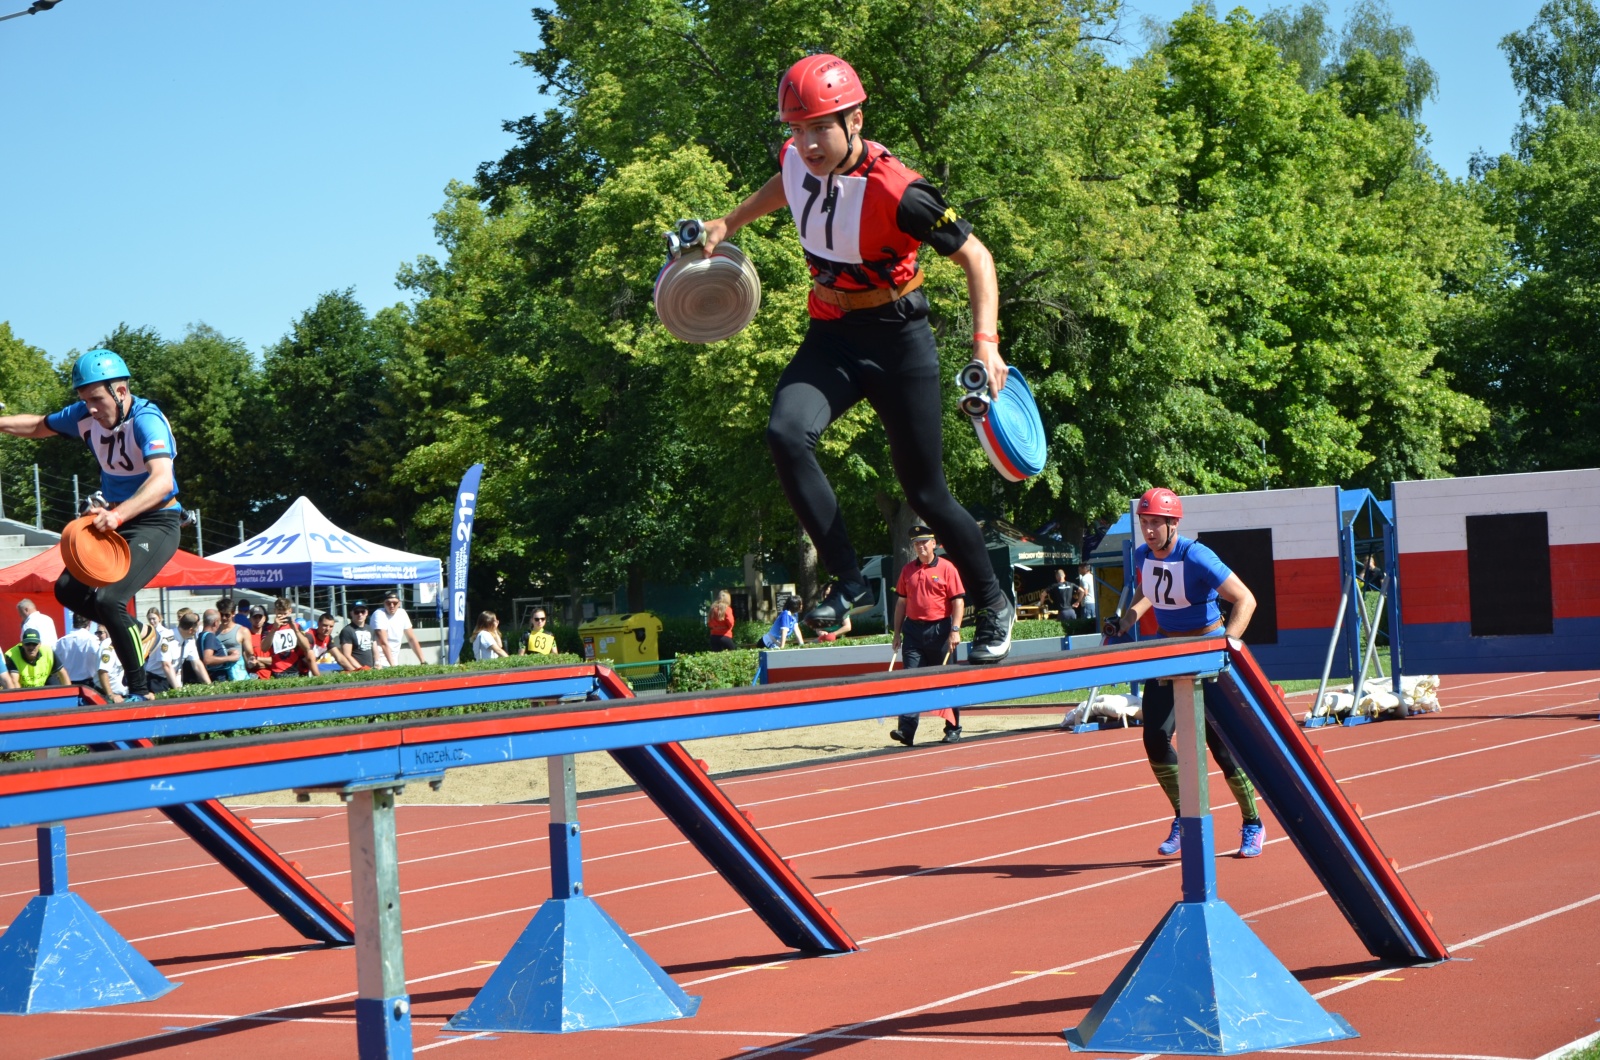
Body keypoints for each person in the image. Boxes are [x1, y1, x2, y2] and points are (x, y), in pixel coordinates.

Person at [703, 54, 1014, 664]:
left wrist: (986, 341)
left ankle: (992, 601)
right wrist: (728, 221)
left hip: (899, 339)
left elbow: (977, 257)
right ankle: (847, 584)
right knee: (786, 433)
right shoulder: (797, 158)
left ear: (855, 120)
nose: (809, 143)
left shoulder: (902, 190)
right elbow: (786, 184)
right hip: (834, 333)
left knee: (925, 493)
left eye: (822, 127)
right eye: (797, 129)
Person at [0, 349, 184, 700]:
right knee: (67, 588)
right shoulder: (85, 415)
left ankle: (140, 691)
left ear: (121, 391)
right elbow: (40, 426)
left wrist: (116, 515)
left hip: (158, 521)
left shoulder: (148, 421)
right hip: (117, 523)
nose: (92, 410)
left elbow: (161, 480)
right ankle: (142, 631)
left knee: (110, 599)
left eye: (97, 400)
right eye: (85, 401)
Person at [1111, 487, 1266, 859]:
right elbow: (1149, 591)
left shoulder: (1197, 555)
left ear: (1173, 524)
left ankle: (1252, 823)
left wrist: (1226, 644)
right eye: (1143, 523)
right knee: (1154, 738)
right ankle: (1184, 816)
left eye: (1154, 524)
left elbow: (1246, 598)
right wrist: (1125, 620)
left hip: (1205, 652)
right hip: (1167, 653)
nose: (1148, 531)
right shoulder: (1142, 555)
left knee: (1221, 748)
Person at [888, 525, 966, 746]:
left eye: (924, 542)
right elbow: (901, 603)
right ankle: (906, 730)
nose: (920, 547)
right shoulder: (907, 570)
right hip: (913, 632)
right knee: (910, 680)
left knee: (946, 681)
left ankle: (953, 728)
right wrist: (897, 633)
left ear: (934, 544)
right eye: (916, 543)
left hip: (941, 631)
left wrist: (955, 630)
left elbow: (958, 601)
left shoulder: (947, 568)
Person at [262, 597, 314, 679]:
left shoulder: (297, 626)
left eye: (285, 614)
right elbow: (264, 648)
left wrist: (296, 630)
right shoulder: (268, 629)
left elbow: (307, 647)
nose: (282, 616)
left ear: (290, 611)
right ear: (275, 611)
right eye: (280, 614)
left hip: (294, 669)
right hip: (276, 671)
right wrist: (273, 629)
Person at [372, 590, 426, 667]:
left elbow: (411, 639)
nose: (392, 605)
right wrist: (393, 666)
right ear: (384, 604)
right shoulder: (379, 614)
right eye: (388, 603)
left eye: (395, 603)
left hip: (393, 661)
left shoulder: (402, 613)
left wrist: (423, 661)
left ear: (399, 603)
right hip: (380, 662)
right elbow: (383, 643)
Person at [3, 629, 68, 689]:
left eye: (34, 644)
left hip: (44, 685)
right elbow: (14, 681)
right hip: (22, 691)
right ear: (22, 644)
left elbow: (62, 673)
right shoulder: (12, 655)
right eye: (28, 644)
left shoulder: (48, 652)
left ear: (39, 644)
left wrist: (69, 697)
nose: (31, 647)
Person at [54, 613, 102, 689]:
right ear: (90, 623)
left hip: (66, 684)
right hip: (88, 685)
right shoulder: (92, 639)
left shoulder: (60, 642)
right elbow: (100, 659)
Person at [142, 607, 182, 694]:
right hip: (151, 669)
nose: (152, 621)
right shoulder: (149, 632)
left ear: (159, 618)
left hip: (161, 673)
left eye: (154, 618)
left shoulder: (165, 633)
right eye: (149, 619)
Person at [334, 601, 378, 670]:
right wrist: (361, 668)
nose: (360, 614)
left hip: (371, 669)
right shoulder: (347, 630)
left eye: (362, 611)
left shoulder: (370, 628)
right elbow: (347, 655)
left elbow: (375, 650)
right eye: (356, 612)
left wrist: (377, 663)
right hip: (355, 670)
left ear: (366, 613)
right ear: (351, 613)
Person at [198, 609, 239, 684]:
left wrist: (227, 652)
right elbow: (208, 659)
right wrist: (230, 658)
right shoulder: (210, 636)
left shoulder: (202, 636)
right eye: (219, 621)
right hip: (218, 678)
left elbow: (212, 653)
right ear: (215, 623)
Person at [176, 612, 211, 686]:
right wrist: (177, 690)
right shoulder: (168, 637)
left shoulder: (190, 641)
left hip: (176, 679)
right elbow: (166, 666)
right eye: (195, 631)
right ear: (191, 630)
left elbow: (197, 664)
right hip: (158, 680)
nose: (195, 633)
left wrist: (210, 686)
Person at [95, 625, 127, 702]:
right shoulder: (109, 646)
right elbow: (102, 671)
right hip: (111, 695)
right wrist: (110, 695)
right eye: (97, 632)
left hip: (119, 692)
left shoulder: (119, 644)